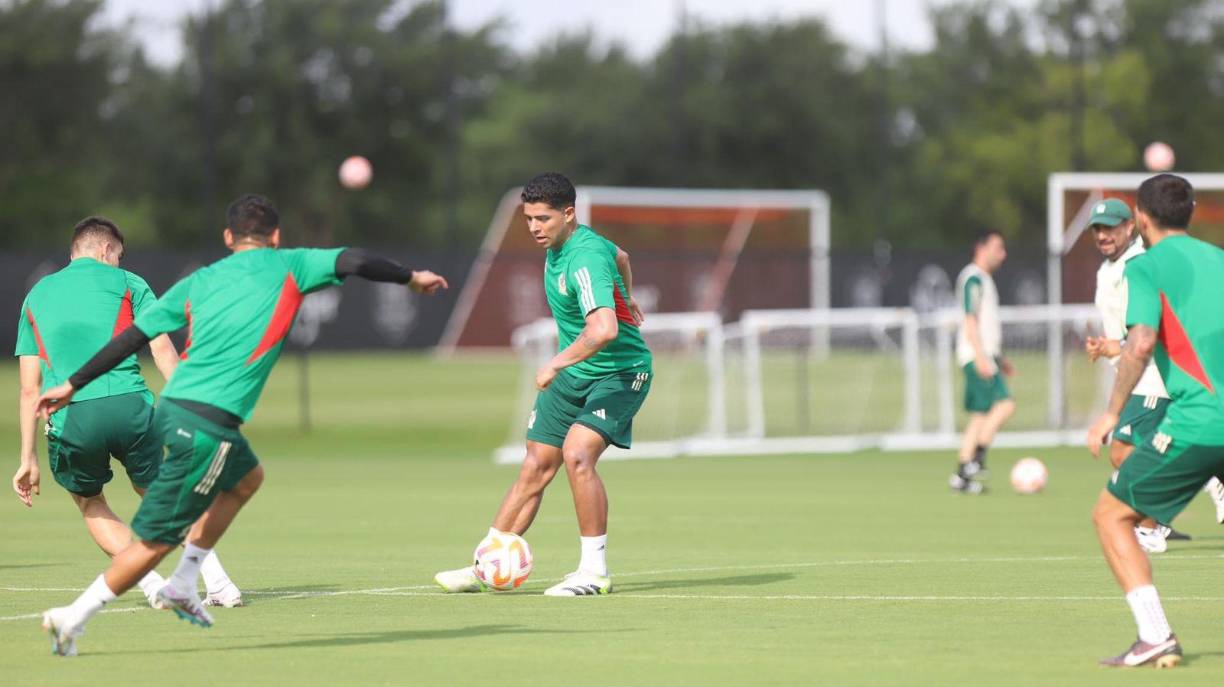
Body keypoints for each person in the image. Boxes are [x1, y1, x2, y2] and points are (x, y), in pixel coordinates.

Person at [37, 194, 449, 657]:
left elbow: (134, 336)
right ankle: (71, 618)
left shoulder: (201, 280)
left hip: (183, 409)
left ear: (228, 238)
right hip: (203, 419)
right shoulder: (291, 264)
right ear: (276, 237)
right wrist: (411, 278)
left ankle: (185, 582)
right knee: (156, 541)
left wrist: (73, 382)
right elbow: (355, 260)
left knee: (248, 478)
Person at [435, 172, 651, 596]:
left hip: (620, 371)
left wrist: (555, 363)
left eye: (544, 218)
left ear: (569, 213)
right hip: (578, 372)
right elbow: (622, 256)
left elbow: (604, 330)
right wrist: (629, 294)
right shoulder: (566, 245)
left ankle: (593, 572)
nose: (534, 227)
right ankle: (486, 565)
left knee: (577, 454)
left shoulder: (584, 256)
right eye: (528, 218)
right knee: (535, 465)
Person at [13, 216, 242, 608]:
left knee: (89, 501)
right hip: (131, 406)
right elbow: (162, 349)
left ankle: (153, 586)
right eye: (119, 254)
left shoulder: (37, 295)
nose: (120, 262)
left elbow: (30, 388)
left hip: (72, 418)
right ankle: (219, 582)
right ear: (106, 250)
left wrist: (27, 457)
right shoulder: (129, 284)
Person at [1086, 174, 1224, 667]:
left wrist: (1108, 413)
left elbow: (1142, 343)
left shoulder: (1145, 267)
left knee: (1111, 515)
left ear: (1141, 218)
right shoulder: (1219, 260)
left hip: (1202, 421)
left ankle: (1155, 634)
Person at [1084, 199, 1221, 553]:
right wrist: (1108, 345)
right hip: (1137, 376)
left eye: (1110, 227)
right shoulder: (1107, 270)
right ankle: (1170, 508)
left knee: (1121, 451)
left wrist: (1122, 345)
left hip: (1155, 376)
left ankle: (1155, 525)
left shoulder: (1144, 264)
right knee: (1134, 450)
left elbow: (1155, 324)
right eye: (1097, 229)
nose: (1103, 235)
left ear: (1131, 226)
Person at [949, 230, 1014, 493]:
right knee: (1005, 405)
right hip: (977, 356)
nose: (1003, 254)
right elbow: (970, 319)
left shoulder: (983, 279)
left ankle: (962, 476)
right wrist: (981, 357)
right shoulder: (973, 278)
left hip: (985, 355)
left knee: (980, 415)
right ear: (981, 247)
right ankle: (977, 458)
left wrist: (1000, 358)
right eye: (998, 247)